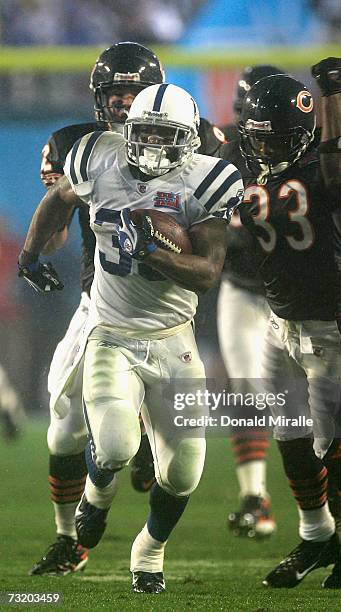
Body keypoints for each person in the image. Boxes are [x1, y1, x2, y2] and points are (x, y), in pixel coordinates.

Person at [18, 82, 244, 594]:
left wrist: (153, 252)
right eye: (145, 133)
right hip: (110, 333)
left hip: (173, 339)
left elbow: (207, 271)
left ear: (189, 140)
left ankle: (150, 550)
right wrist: (28, 257)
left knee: (184, 473)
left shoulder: (207, 180)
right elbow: (58, 199)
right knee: (116, 445)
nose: (153, 146)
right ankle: (95, 497)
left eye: (167, 136)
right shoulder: (98, 156)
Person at [221, 58, 341, 589]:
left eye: (273, 139)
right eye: (257, 138)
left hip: (333, 327)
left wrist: (334, 95)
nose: (261, 148)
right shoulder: (250, 161)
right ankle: (315, 535)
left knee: (332, 446)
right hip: (279, 323)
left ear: (301, 132)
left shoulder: (329, 162)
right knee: (291, 436)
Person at [219, 65, 284, 539]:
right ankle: (255, 496)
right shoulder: (226, 156)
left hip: (297, 297)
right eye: (248, 115)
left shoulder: (306, 153)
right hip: (243, 288)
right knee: (247, 393)